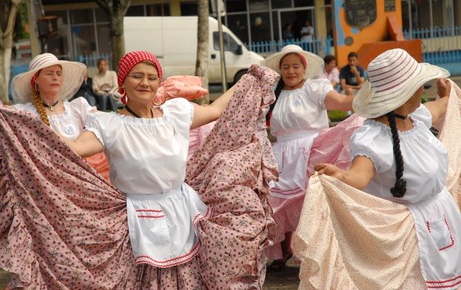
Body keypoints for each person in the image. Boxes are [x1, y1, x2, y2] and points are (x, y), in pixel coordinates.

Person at [58, 51, 278, 288]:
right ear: (122, 82)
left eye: (152, 77)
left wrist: (250, 78)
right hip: (138, 221)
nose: (145, 82)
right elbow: (74, 147)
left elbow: (216, 110)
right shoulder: (108, 124)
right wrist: (26, 127)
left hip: (183, 210)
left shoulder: (176, 114)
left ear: (159, 83)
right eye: (137, 76)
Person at [296, 48, 461, 289]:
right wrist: (340, 175)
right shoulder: (373, 138)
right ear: (404, 96)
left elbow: (439, 107)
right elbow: (359, 175)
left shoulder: (415, 118)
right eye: (420, 88)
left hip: (443, 218)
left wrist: (445, 97)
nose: (423, 93)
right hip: (408, 232)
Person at [262, 44, 354, 270]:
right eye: (286, 67)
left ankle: (313, 253)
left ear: (304, 68)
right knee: (276, 203)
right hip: (281, 154)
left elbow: (340, 102)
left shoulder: (315, 88)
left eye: (295, 66)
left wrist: (367, 100)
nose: (291, 71)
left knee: (308, 203)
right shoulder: (272, 95)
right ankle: (282, 252)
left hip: (313, 149)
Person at [10, 53, 110, 181]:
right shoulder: (25, 113)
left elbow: (105, 124)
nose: (55, 77)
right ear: (36, 79)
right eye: (49, 73)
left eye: (58, 73)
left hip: (81, 180)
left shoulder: (78, 107)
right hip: (46, 183)